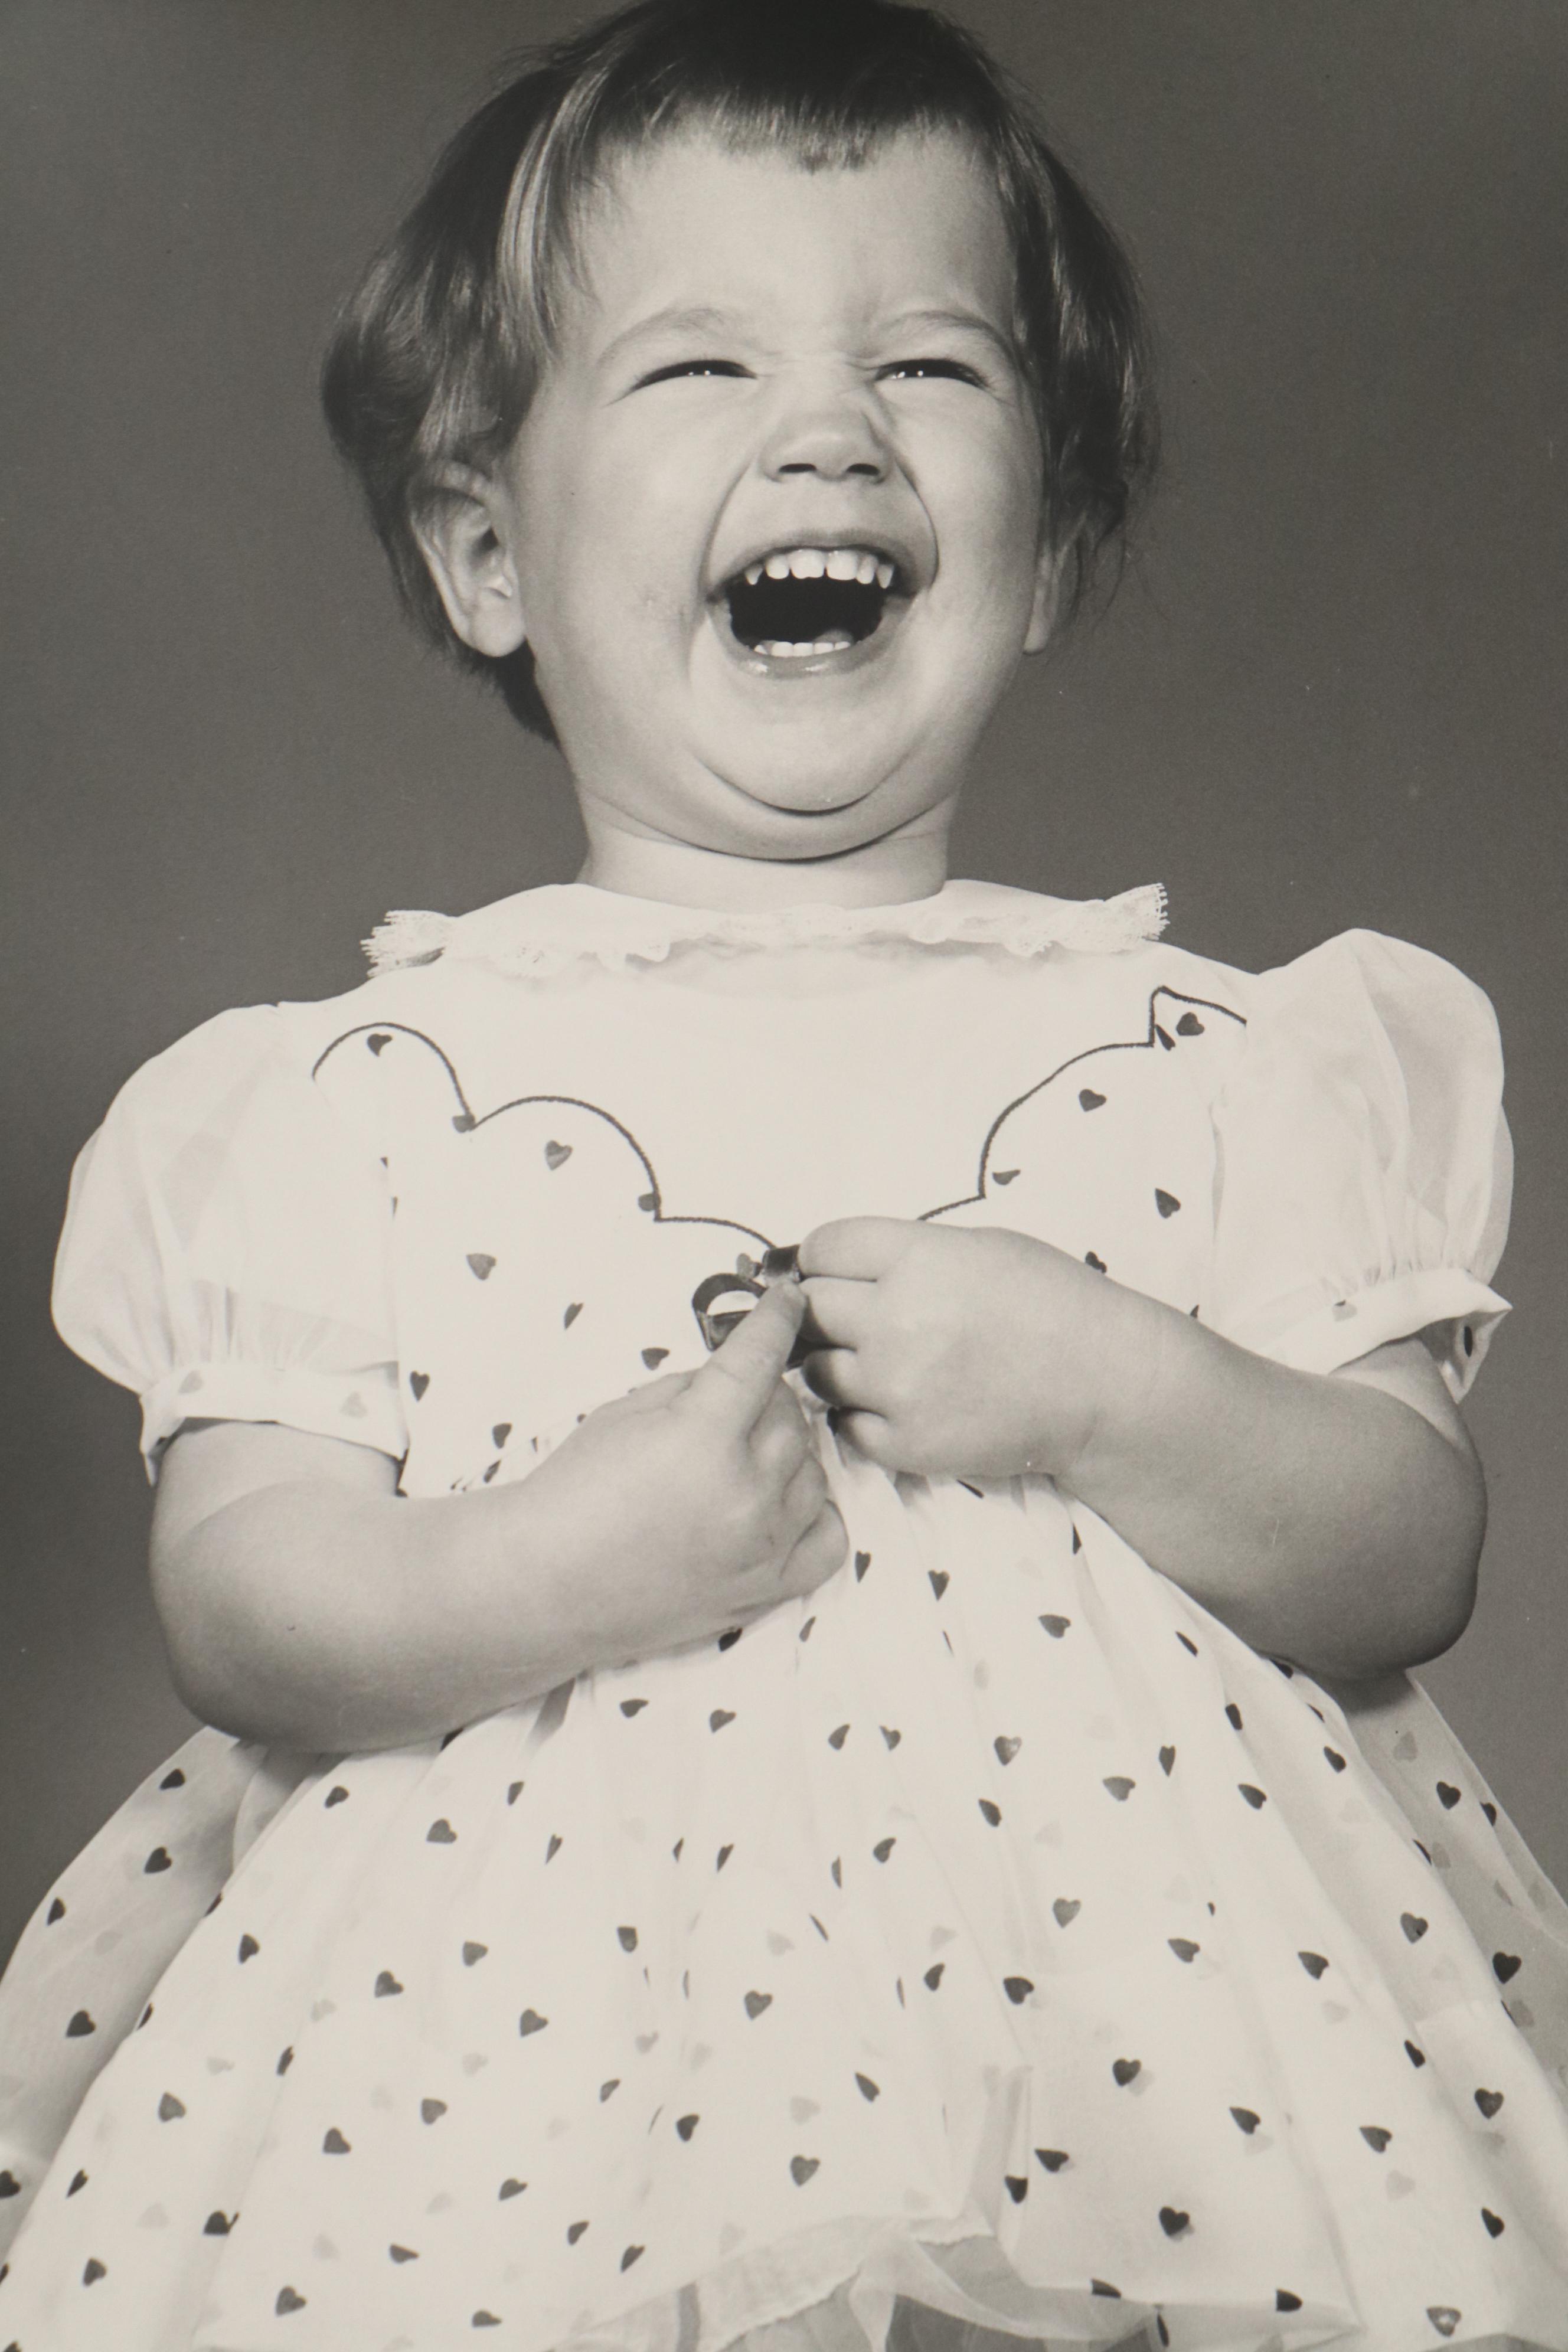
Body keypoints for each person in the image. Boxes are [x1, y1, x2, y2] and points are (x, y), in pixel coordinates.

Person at [3, 2, 1567, 2345]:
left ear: (1045, 542)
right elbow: (243, 1596)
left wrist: (1113, 1390)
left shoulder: (1219, 1055)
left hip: (1136, 2122)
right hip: (505, 2128)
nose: (828, 426)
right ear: (482, 550)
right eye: (692, 371)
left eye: (929, 368)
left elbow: (1402, 1552)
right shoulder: (368, 1093)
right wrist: (548, 1566)